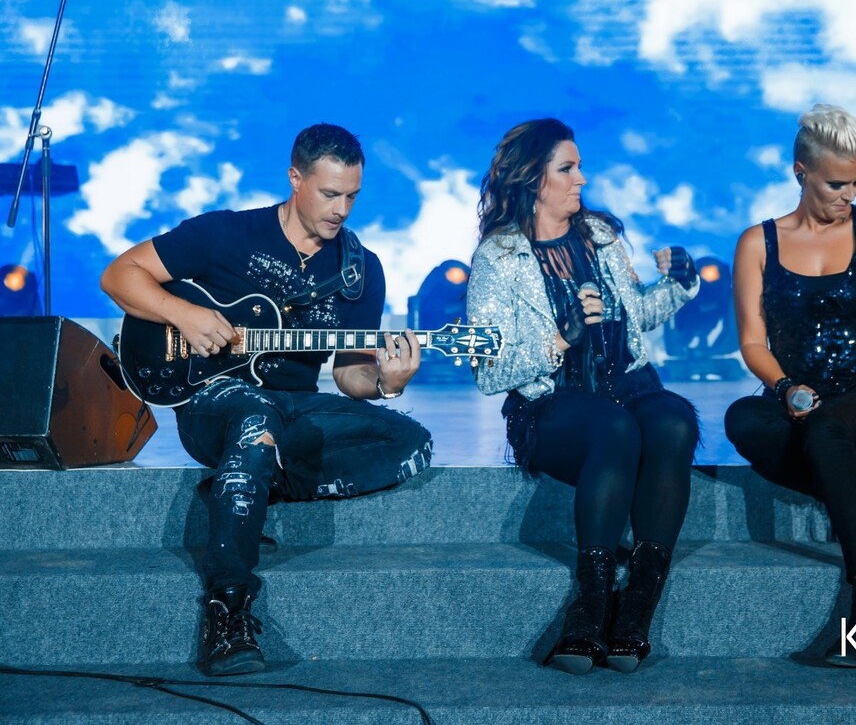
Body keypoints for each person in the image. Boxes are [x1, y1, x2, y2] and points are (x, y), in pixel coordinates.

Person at [101, 123, 432, 676]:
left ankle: (242, 484)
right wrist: (185, 314)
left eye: (352, 196)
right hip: (212, 400)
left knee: (409, 441)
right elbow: (119, 276)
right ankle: (227, 610)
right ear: (295, 178)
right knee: (255, 415)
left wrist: (388, 381)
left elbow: (350, 376)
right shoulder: (226, 234)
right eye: (329, 194)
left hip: (293, 408)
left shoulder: (359, 270)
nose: (341, 210)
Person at [466, 118, 701, 675]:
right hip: (554, 404)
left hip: (627, 385)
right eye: (567, 168)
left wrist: (680, 284)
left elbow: (637, 316)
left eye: (580, 166)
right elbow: (489, 371)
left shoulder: (600, 235)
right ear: (533, 178)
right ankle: (590, 607)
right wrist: (559, 339)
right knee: (612, 428)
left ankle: (636, 607)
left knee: (672, 419)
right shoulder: (498, 258)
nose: (582, 178)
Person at [723, 104, 856, 668]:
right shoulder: (757, 242)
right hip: (795, 399)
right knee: (742, 418)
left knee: (828, 427)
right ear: (801, 171)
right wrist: (787, 388)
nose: (849, 194)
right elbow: (753, 342)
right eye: (837, 183)